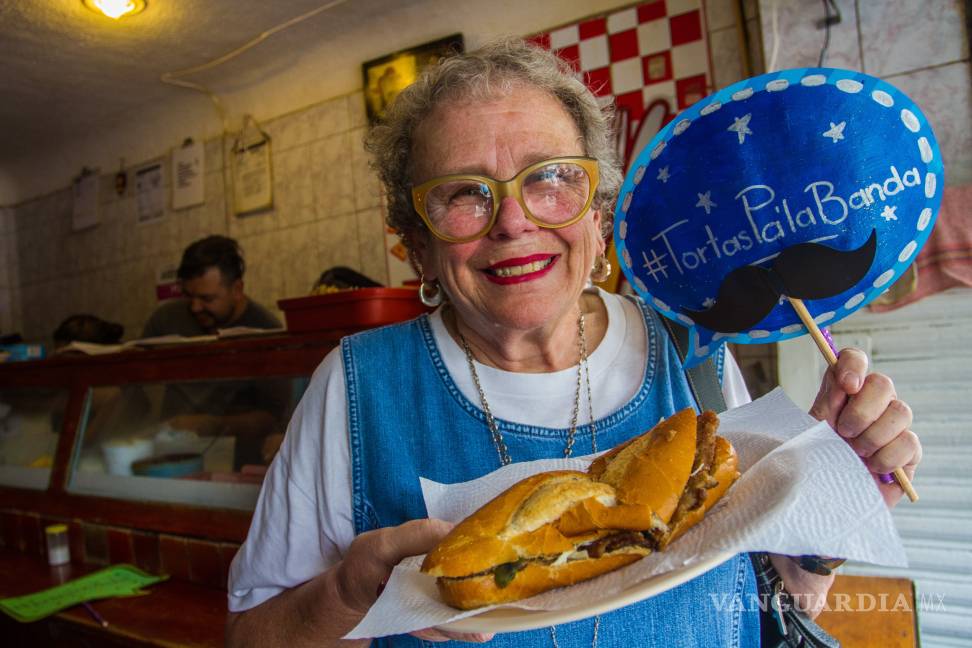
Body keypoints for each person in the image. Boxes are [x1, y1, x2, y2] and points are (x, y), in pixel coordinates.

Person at [224, 39, 921, 647]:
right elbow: (251, 637)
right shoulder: (354, 389)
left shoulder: (693, 355)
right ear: (417, 246)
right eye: (464, 193)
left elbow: (772, 601)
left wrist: (823, 525)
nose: (512, 222)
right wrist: (348, 593)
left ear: (598, 216)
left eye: (551, 178)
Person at [142, 235, 281, 338]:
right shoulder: (164, 321)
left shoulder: (267, 333)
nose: (195, 307)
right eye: (188, 295)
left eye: (207, 298)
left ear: (237, 290)